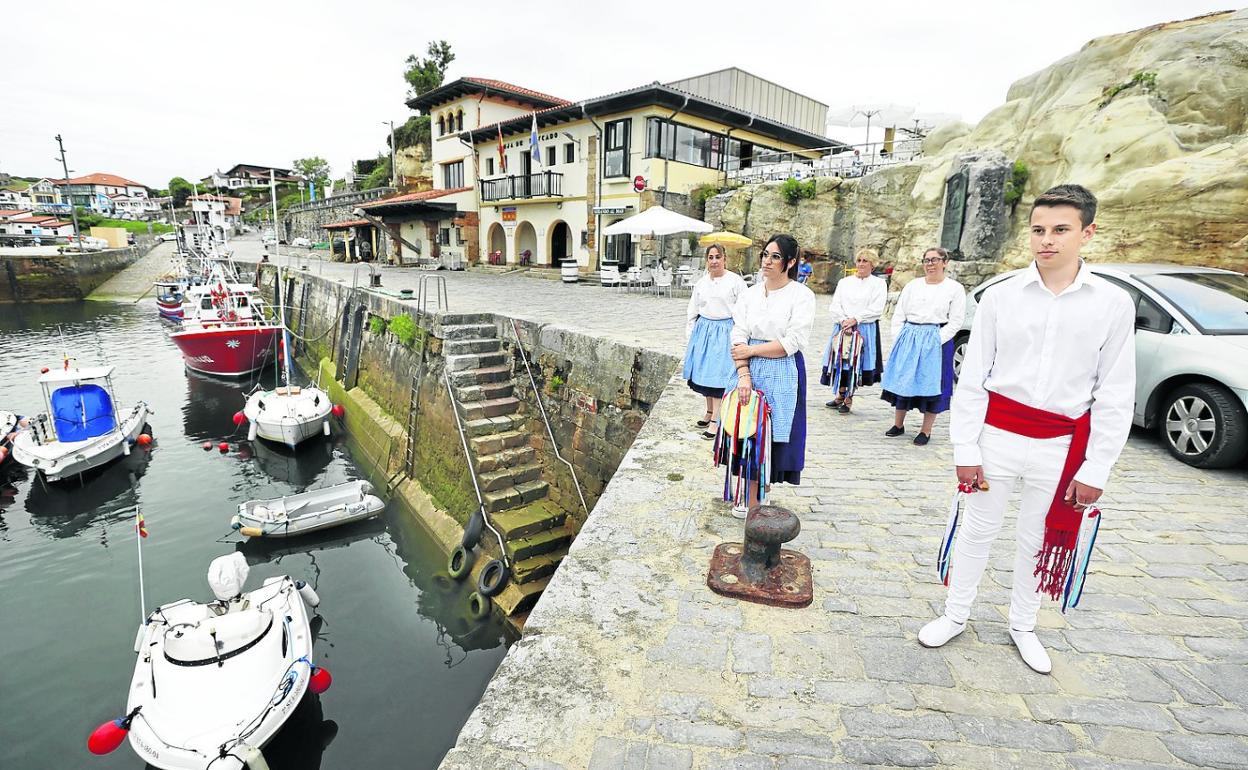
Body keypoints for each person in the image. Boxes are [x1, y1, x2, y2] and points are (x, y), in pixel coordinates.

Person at [918, 185, 1135, 673]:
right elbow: (972, 378)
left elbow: (1116, 392)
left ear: (1087, 233)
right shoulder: (1001, 297)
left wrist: (1098, 465)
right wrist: (965, 447)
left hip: (1062, 443)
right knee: (976, 529)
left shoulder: (1112, 304)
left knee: (1037, 538)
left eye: (1061, 230)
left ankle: (1023, 623)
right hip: (999, 433)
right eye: (1039, 230)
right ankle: (956, 613)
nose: (1047, 240)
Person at [719, 234, 816, 518]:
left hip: (782, 368)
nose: (767, 261)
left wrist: (752, 349)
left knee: (771, 433)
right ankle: (751, 496)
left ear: (790, 262)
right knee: (745, 427)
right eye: (765, 254)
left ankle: (759, 492)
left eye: (775, 256)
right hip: (747, 364)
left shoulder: (801, 296)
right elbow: (738, 333)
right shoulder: (750, 294)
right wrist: (744, 374)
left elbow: (792, 341)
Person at [879, 247, 965, 445]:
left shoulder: (954, 288)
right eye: (926, 260)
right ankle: (898, 424)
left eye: (935, 260)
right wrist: (899, 336)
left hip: (936, 338)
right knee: (904, 378)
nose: (930, 264)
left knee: (933, 383)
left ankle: (925, 430)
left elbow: (956, 320)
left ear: (945, 262)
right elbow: (899, 313)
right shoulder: (913, 285)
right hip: (910, 336)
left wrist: (936, 340)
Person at [684, 244, 747, 439]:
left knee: (718, 377)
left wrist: (740, 336)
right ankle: (709, 411)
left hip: (725, 331)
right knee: (704, 374)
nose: (714, 261)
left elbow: (745, 309)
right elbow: (693, 310)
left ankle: (716, 422)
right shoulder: (702, 283)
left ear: (724, 259)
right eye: (710, 257)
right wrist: (691, 335)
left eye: (717, 257)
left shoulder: (735, 282)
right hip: (704, 331)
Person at [821, 248, 887, 413]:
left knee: (855, 362)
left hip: (863, 328)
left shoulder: (878, 284)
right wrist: (843, 320)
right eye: (859, 260)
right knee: (840, 361)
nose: (861, 264)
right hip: (843, 327)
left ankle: (849, 398)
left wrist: (855, 319)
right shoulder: (845, 282)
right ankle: (839, 395)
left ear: (872, 265)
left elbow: (876, 308)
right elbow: (835, 304)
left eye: (865, 261)